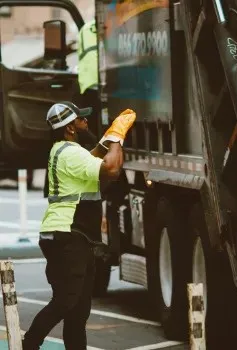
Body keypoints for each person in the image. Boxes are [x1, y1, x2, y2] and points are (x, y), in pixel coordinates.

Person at [22, 101, 136, 350]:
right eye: (81, 119)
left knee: (78, 311)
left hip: (75, 237)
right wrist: (117, 137)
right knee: (65, 301)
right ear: (71, 127)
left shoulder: (64, 150)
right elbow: (112, 168)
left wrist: (104, 142)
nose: (86, 121)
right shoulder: (70, 153)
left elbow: (92, 157)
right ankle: (28, 344)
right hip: (67, 236)